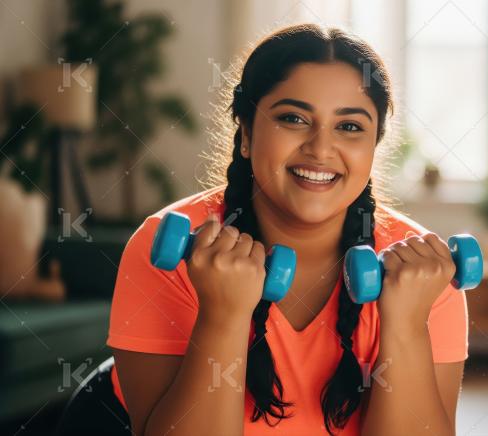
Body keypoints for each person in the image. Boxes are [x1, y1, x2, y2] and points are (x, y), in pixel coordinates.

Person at [107, 23, 468, 436]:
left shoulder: (425, 275)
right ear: (245, 132)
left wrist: (406, 326)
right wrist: (223, 317)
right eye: (293, 118)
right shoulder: (167, 251)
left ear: (373, 146)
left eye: (349, 126)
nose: (320, 147)